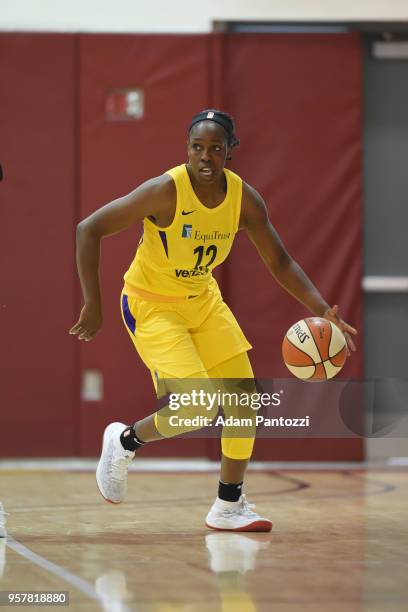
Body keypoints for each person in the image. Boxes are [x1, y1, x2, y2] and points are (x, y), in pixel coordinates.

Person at [69, 109, 357, 532]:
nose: (205, 157)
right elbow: (87, 229)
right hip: (152, 305)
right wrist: (92, 303)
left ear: (229, 153)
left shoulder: (245, 200)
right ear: (187, 150)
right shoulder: (164, 191)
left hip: (203, 301)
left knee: (245, 401)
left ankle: (228, 505)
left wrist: (320, 307)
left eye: (215, 149)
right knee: (198, 406)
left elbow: (279, 261)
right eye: (196, 148)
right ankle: (124, 441)